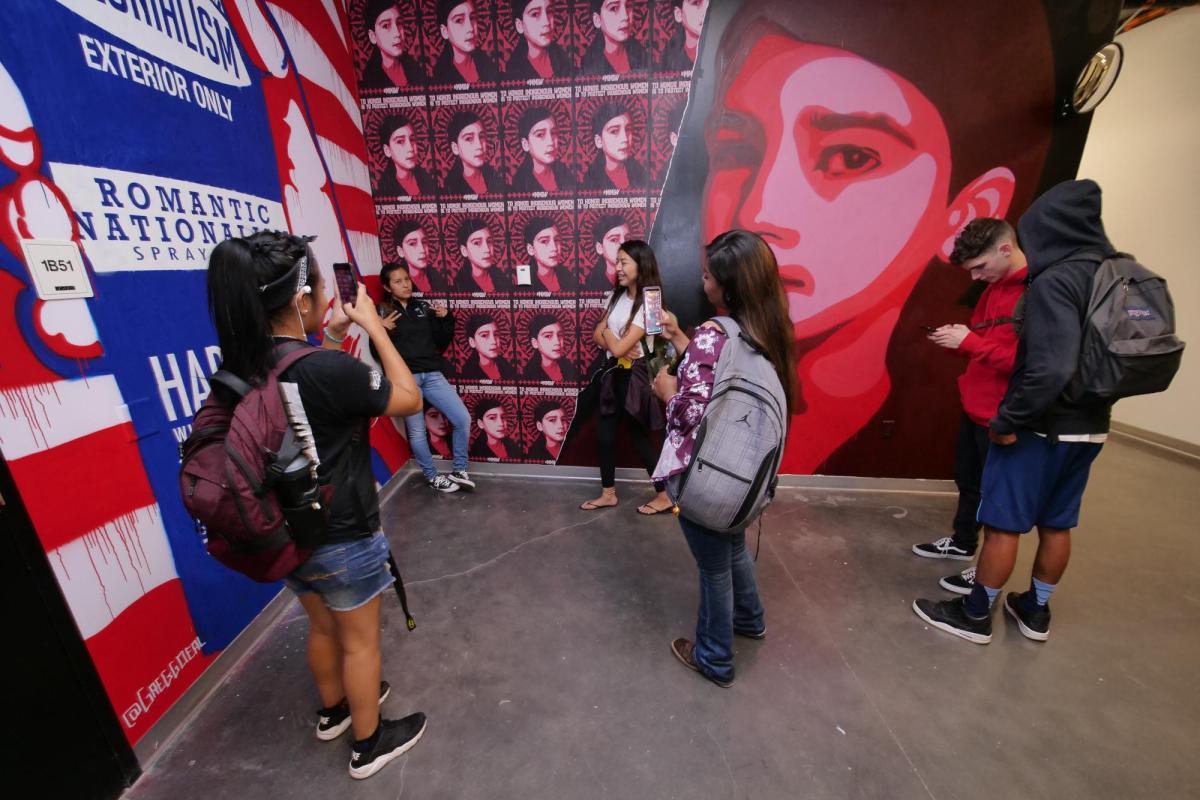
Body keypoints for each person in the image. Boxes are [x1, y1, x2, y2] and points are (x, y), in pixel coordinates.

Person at [668, 0, 1056, 477]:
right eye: (737, 152)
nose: (759, 214)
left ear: (966, 211)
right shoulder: (716, 357)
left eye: (850, 157)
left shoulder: (921, 425)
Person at [205, 231, 425, 779]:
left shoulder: (247, 364)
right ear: (300, 299)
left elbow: (304, 384)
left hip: (285, 533)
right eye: (322, 287)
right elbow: (408, 397)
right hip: (344, 532)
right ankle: (369, 744)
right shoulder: (327, 369)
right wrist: (374, 327)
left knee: (323, 627)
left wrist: (332, 335)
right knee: (360, 644)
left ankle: (333, 713)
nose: (329, 295)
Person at [913, 179, 1117, 645]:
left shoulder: (1049, 283)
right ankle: (1035, 609)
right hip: (1086, 423)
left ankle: (975, 614)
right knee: (1056, 522)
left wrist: (1007, 419)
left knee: (1003, 523)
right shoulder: (1106, 276)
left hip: (1033, 424)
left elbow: (1044, 365)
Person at [651, 229, 796, 688]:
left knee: (713, 566)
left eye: (709, 275)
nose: (703, 280)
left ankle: (714, 657)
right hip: (742, 481)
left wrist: (666, 391)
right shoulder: (767, 331)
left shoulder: (713, 334)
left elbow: (689, 414)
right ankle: (750, 619)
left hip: (705, 478)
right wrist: (682, 340)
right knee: (731, 547)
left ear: (727, 287)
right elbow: (721, 385)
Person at [911, 219, 1026, 578]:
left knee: (997, 498)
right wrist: (958, 342)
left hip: (1003, 414)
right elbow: (985, 345)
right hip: (975, 405)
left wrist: (972, 343)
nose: (975, 277)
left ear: (1005, 249)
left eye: (980, 266)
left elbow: (1031, 363)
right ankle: (963, 542)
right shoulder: (992, 289)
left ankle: (986, 572)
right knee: (969, 482)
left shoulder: (1037, 293)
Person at [578, 239, 671, 515]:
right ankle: (608, 494)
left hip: (635, 377)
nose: (617, 267)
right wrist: (611, 338)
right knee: (605, 435)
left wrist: (607, 332)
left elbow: (612, 342)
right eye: (617, 261)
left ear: (641, 265)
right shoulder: (615, 296)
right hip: (613, 374)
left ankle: (664, 495)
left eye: (624, 262)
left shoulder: (651, 302)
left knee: (639, 438)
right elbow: (597, 336)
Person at [373, 261, 475, 494]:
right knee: (418, 432)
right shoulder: (381, 312)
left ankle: (459, 470)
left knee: (462, 419)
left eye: (406, 279)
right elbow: (377, 352)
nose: (405, 284)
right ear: (387, 287)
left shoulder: (423, 307)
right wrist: (381, 330)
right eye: (398, 281)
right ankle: (432, 476)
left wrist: (445, 318)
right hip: (406, 380)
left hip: (432, 374)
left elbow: (440, 341)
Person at [360, 0, 425, 90]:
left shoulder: (416, 69)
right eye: (386, 26)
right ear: (373, 36)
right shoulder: (369, 81)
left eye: (399, 23)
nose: (397, 33)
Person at [509, 107, 576, 193]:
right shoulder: (520, 184)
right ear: (526, 144)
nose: (550, 142)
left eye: (553, 133)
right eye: (540, 135)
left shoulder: (566, 174)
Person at [584, 102, 648, 191]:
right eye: (614, 131)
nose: (625, 138)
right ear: (599, 141)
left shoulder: (640, 173)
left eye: (628, 129)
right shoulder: (591, 182)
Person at [432, 0, 499, 85]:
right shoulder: (440, 78)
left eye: (472, 18)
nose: (470, 28)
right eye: (459, 20)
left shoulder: (489, 66)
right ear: (445, 31)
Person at [503, 0, 572, 80]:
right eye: (535, 14)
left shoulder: (563, 59)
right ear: (520, 25)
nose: (546, 22)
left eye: (549, 11)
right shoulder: (514, 72)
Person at [441, 111, 506, 196]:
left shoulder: (498, 181)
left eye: (481, 137)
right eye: (469, 139)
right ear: (455, 148)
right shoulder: (449, 192)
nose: (479, 145)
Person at [375, 114, 437, 199]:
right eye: (400, 141)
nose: (410, 148)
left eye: (412, 139)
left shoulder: (427, 179)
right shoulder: (385, 191)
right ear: (387, 150)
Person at [579, 0, 647, 75]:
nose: (625, 16)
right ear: (597, 20)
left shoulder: (641, 54)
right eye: (613, 8)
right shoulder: (590, 65)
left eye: (628, 6)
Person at [452, 218, 511, 292]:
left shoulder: (502, 279)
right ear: (464, 251)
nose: (487, 249)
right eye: (477, 243)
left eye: (489, 241)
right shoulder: (460, 286)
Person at [388, 220, 444, 294]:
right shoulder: (399, 285)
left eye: (424, 242)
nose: (422, 250)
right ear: (400, 251)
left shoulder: (438, 277)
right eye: (412, 243)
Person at [523, 313, 582, 382]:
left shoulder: (569, 367)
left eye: (560, 335)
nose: (557, 342)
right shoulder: (529, 374)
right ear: (535, 343)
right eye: (548, 336)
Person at [522, 217, 576, 291]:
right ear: (531, 249)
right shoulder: (524, 279)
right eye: (544, 241)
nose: (554, 248)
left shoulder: (569, 278)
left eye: (556, 240)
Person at [459, 313, 516, 380]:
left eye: (496, 334)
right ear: (472, 342)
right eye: (484, 335)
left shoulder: (507, 367)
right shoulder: (468, 374)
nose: (494, 341)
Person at [582, 214, 629, 290]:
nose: (624, 244)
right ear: (600, 248)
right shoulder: (591, 285)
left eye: (627, 239)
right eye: (614, 240)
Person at [657, 0, 707, 72]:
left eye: (711, 3)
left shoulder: (721, 51)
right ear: (679, 14)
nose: (706, 10)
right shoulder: (669, 59)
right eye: (696, 3)